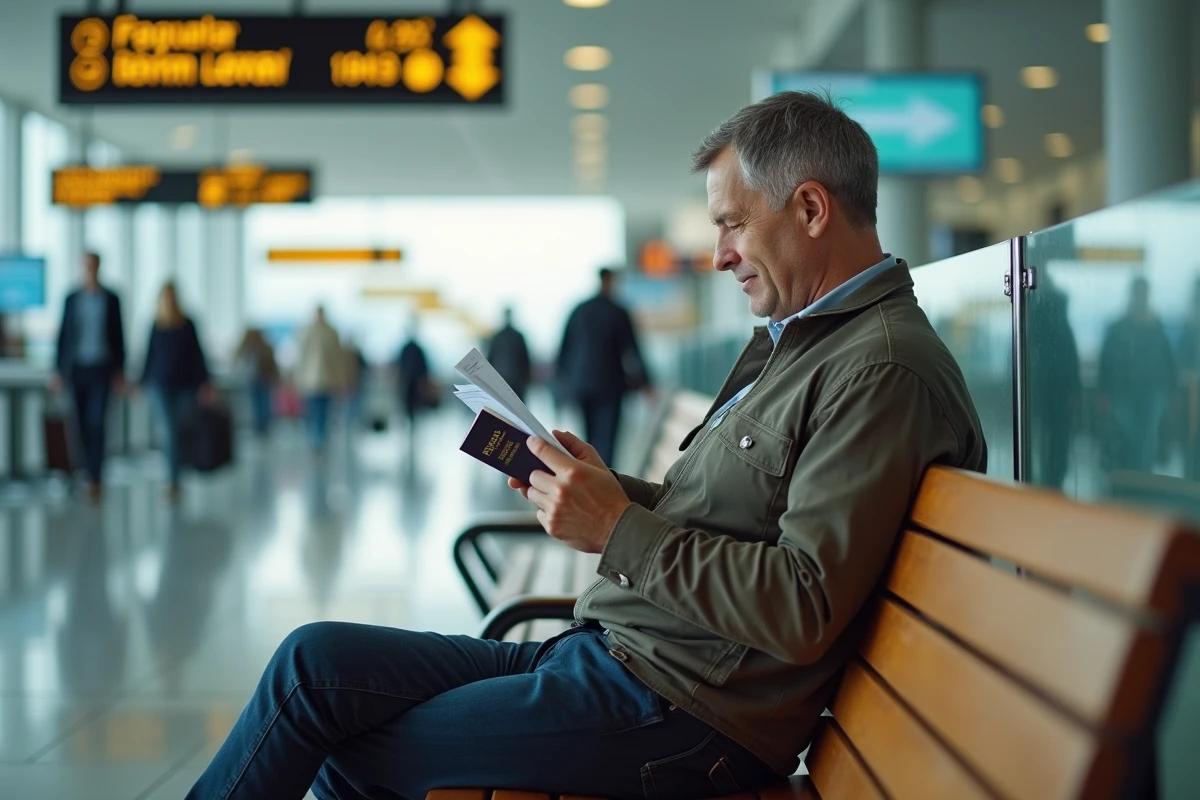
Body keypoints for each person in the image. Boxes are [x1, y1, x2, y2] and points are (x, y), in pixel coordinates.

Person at [188, 91, 986, 800]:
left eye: (733, 224)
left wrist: (613, 529)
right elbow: (738, 521)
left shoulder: (879, 369)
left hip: (678, 712)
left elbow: (803, 601)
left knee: (345, 740)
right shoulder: (805, 346)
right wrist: (610, 492)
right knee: (312, 664)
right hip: (616, 654)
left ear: (811, 210)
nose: (718, 256)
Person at [51, 251, 127, 504]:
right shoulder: (72, 299)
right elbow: (63, 336)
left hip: (101, 369)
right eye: (85, 266)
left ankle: (95, 477)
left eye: (93, 266)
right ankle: (83, 473)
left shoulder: (111, 299)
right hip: (77, 369)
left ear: (98, 267)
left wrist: (120, 371)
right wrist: (58, 370)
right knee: (79, 424)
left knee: (97, 422)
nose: (89, 270)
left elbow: (119, 337)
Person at [556, 268, 651, 466]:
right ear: (610, 281)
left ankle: (590, 475)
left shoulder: (579, 310)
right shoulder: (618, 311)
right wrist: (646, 383)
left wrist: (564, 384)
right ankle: (605, 478)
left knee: (588, 438)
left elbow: (564, 350)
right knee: (608, 438)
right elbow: (633, 349)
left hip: (581, 384)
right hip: (611, 385)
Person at [140, 282, 212, 501]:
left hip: (185, 386)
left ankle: (178, 473)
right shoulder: (156, 325)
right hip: (160, 385)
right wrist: (141, 381)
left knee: (180, 430)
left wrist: (205, 382)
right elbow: (148, 356)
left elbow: (198, 355)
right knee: (169, 431)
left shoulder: (187, 324)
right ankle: (172, 480)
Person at [1097, 276, 1177, 473]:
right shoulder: (1120, 327)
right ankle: (1133, 481)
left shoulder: (1154, 326)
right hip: (1126, 393)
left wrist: (1172, 392)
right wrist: (1103, 392)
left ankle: (1140, 481)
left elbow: (1168, 363)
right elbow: (1106, 363)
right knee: (1130, 438)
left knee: (1147, 440)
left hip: (1150, 394)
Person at [294, 306, 345, 453]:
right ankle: (315, 439)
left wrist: (340, 379)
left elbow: (337, 359)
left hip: (326, 380)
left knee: (323, 412)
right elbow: (301, 358)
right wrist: (298, 379)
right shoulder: (306, 332)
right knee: (312, 411)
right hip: (310, 381)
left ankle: (319, 439)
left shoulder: (331, 333)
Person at [234, 328, 280, 438]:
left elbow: (238, 359)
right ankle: (264, 427)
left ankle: (259, 427)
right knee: (264, 404)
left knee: (257, 405)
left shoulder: (247, 347)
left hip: (253, 380)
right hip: (264, 379)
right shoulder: (265, 347)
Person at [486, 306, 532, 401]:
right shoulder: (518, 336)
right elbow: (525, 359)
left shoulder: (497, 337)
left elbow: (490, 359)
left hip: (502, 380)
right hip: (516, 381)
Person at [396, 323, 434, 433]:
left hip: (412, 383)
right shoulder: (413, 349)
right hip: (409, 383)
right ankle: (410, 425)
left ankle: (411, 426)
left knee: (412, 407)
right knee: (409, 407)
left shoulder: (408, 349)